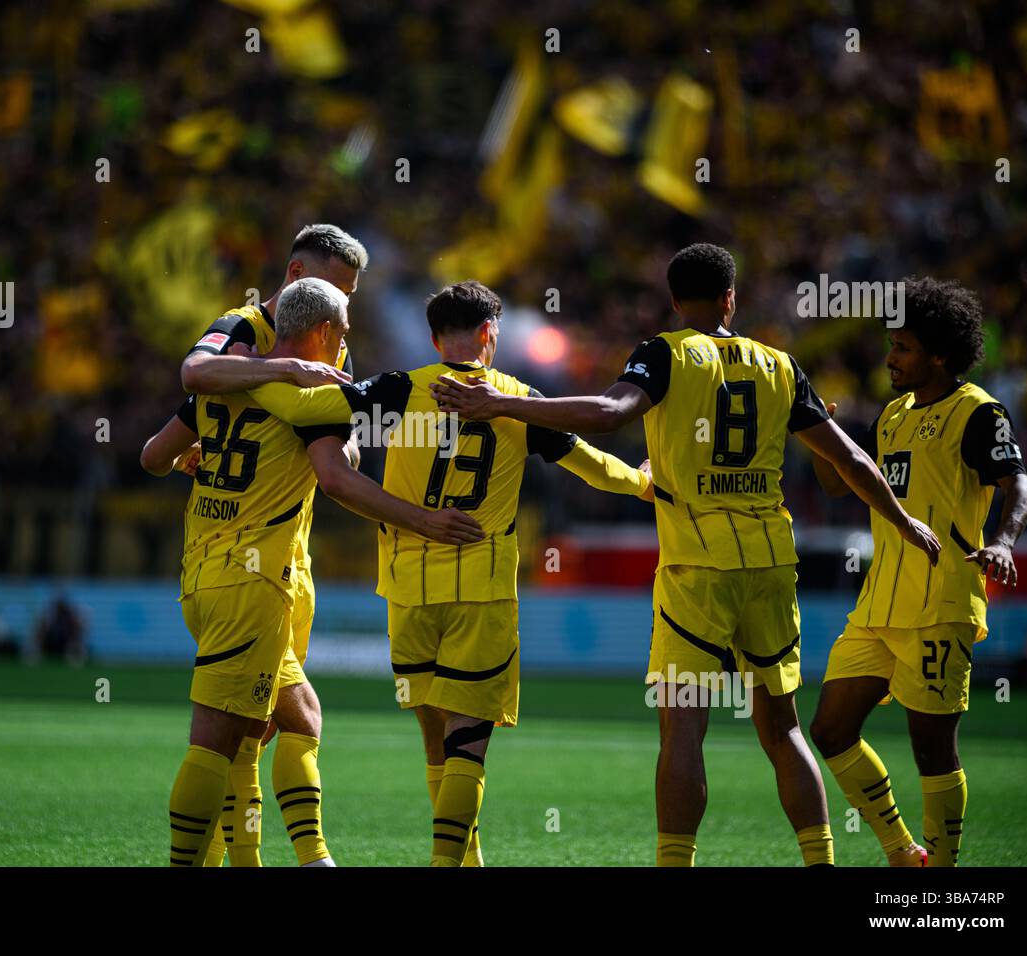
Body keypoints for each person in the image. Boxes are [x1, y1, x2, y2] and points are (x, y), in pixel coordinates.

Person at [430, 244, 940, 867]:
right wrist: (904, 519)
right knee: (782, 729)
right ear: (732, 298)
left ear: (674, 302)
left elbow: (609, 412)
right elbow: (850, 460)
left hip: (698, 567)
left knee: (683, 728)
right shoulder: (779, 365)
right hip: (771, 563)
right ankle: (821, 861)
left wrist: (503, 402)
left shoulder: (663, 354)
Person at [248, 279, 654, 866]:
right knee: (468, 745)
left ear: (436, 338)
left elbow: (298, 407)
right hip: (482, 595)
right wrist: (641, 481)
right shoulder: (518, 399)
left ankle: (468, 858)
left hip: (408, 593)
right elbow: (592, 466)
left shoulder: (395, 391)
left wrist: (248, 372)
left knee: (435, 736)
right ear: (490, 334)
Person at [154, 276, 483, 868]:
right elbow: (337, 477)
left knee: (293, 716)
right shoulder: (311, 394)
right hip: (250, 582)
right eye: (344, 333)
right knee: (218, 736)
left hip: (200, 573)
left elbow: (154, 456)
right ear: (325, 332)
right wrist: (423, 520)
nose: (345, 347)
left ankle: (302, 860)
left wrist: (195, 458)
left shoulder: (227, 376)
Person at [808, 277, 1027, 866]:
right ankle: (904, 854)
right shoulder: (892, 415)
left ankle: (942, 880)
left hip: (941, 603)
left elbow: (1019, 483)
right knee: (831, 731)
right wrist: (823, 443)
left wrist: (1004, 541)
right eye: (892, 346)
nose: (891, 359)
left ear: (938, 353)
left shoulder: (978, 412)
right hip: (879, 604)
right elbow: (846, 487)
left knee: (932, 748)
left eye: (903, 348)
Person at [168, 223, 363, 867]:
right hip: (244, 564)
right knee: (235, 731)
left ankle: (255, 857)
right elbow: (194, 372)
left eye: (349, 293)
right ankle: (291, 858)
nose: (341, 304)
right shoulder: (243, 327)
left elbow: (342, 446)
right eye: (333, 285)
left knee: (268, 724)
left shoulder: (332, 345)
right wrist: (286, 370)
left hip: (288, 559)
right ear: (294, 271)